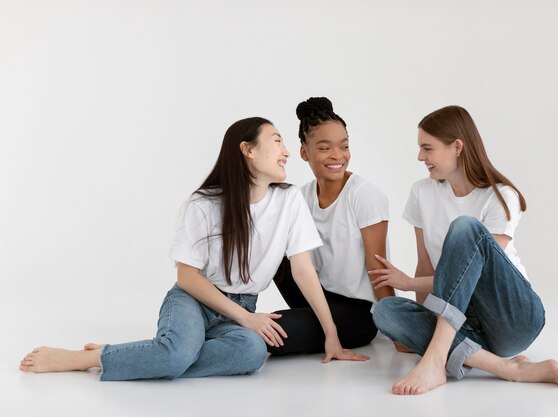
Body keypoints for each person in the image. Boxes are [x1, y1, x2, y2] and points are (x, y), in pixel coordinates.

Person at [19, 117, 367, 380]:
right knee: (176, 354)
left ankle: (155, 355)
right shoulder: (204, 204)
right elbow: (186, 277)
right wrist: (246, 319)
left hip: (241, 304)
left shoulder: (289, 200)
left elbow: (302, 270)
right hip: (194, 300)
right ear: (247, 150)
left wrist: (331, 336)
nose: (287, 150)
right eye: (276, 141)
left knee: (251, 353)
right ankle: (88, 359)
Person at [370, 105, 558, 395]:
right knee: (385, 311)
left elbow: (474, 277)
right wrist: (415, 324)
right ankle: (508, 368)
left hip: (511, 315)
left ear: (457, 147)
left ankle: (437, 358)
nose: (420, 157)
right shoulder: (421, 193)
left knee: (465, 228)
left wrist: (409, 285)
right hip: (463, 320)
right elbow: (425, 264)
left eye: (427, 148)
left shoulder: (500, 197)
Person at [267, 97, 394, 356]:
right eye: (325, 148)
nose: (338, 155)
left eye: (344, 146)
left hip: (358, 314)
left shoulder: (363, 195)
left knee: (271, 333)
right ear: (305, 152)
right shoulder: (300, 197)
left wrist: (397, 328)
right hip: (319, 299)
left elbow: (378, 270)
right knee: (276, 251)